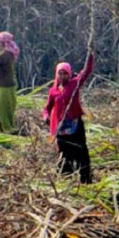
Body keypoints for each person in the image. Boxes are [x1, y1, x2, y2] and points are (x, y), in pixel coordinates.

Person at [43, 52, 95, 183]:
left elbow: (87, 71)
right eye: (60, 73)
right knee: (64, 153)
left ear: (69, 74)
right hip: (61, 127)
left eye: (65, 73)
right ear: (57, 75)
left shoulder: (74, 84)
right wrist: (46, 117)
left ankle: (85, 179)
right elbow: (47, 107)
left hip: (74, 125)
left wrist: (90, 54)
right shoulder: (53, 90)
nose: (62, 76)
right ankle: (66, 179)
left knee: (80, 150)